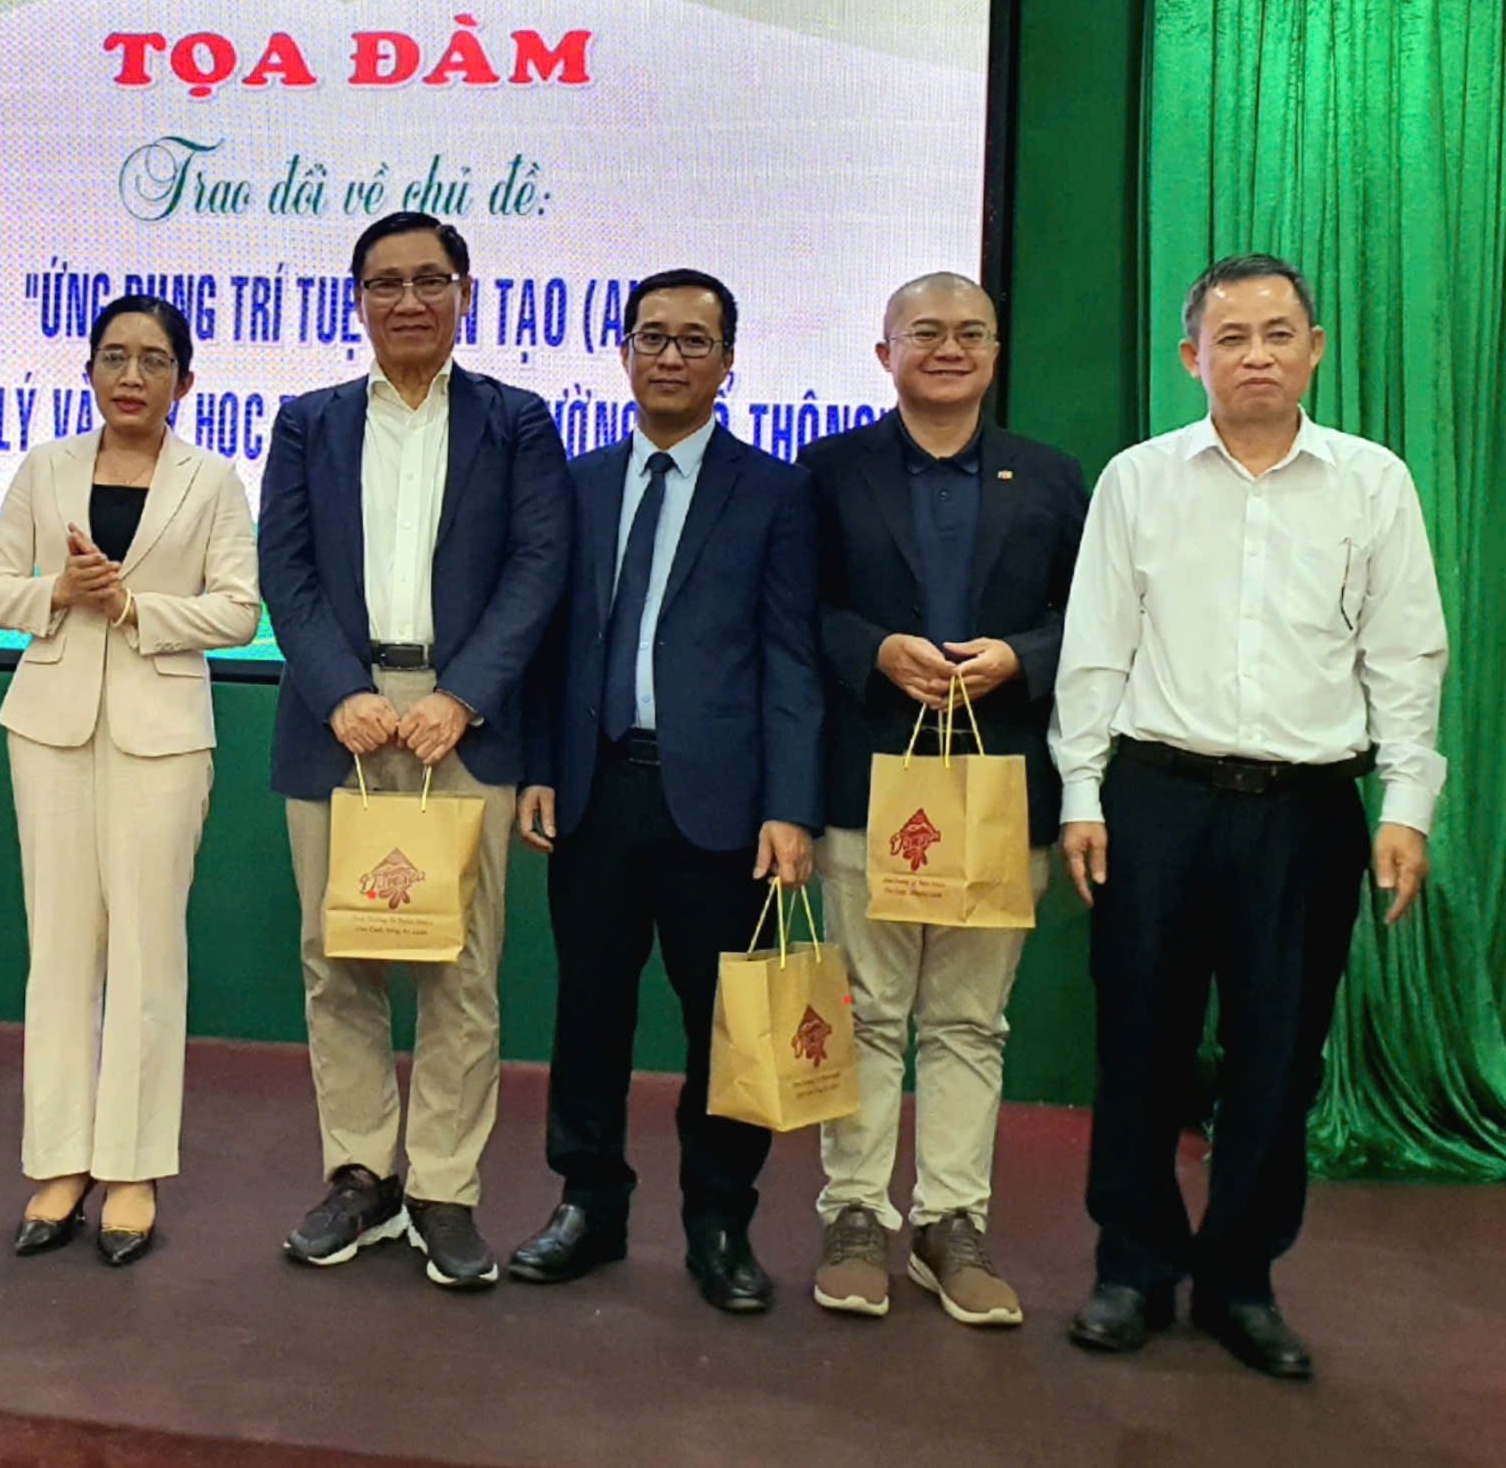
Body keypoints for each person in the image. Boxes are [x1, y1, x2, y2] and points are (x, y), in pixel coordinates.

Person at [1052, 254, 1446, 1380]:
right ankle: (1132, 1268)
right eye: (1232, 338)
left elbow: (1406, 654)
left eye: (1279, 334)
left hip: (1306, 812)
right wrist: (1081, 790)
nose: (1257, 356)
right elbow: (1096, 647)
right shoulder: (1139, 480)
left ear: (1315, 349)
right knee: (1140, 1043)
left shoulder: (1372, 483)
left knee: (1279, 1057)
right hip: (1156, 801)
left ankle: (1240, 1281)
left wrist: (1406, 805)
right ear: (1193, 358)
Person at [258, 211, 572, 1290]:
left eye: (429, 280)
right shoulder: (307, 423)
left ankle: (442, 1187)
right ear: (357, 300)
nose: (407, 300)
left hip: (463, 720)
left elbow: (538, 566)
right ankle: (360, 1175)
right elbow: (286, 570)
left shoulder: (517, 422)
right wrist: (340, 691)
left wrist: (465, 696)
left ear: (464, 295)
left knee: (462, 965)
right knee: (336, 957)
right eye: (385, 283)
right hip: (335, 719)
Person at [506, 268, 822, 1315]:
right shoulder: (578, 482)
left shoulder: (773, 492)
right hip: (596, 791)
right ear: (623, 352)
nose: (670, 357)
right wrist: (540, 766)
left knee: (724, 1025)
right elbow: (548, 644)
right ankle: (587, 1204)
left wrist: (790, 806)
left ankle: (720, 1221)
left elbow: (791, 659)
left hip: (723, 808)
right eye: (651, 336)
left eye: (694, 340)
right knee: (589, 1012)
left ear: (729, 362)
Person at [796, 273, 1087, 1326]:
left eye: (971, 332)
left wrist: (1022, 658)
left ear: (996, 352)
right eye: (926, 332)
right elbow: (801, 611)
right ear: (885, 354)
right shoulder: (829, 471)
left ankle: (951, 1224)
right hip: (867, 780)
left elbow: (1093, 619)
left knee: (969, 1020)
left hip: (1001, 783)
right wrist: (875, 649)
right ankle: (854, 1214)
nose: (950, 348)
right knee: (867, 1012)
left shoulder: (1051, 478)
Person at [0, 295, 261, 1266]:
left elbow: (238, 611)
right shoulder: (44, 467)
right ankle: (60, 1162)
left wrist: (135, 607)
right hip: (48, 725)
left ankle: (132, 1168)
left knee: (146, 949)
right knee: (58, 948)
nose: (130, 377)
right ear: (88, 369)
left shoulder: (213, 480)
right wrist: (60, 591)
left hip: (162, 733)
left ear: (186, 377)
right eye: (113, 357)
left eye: (152, 361)